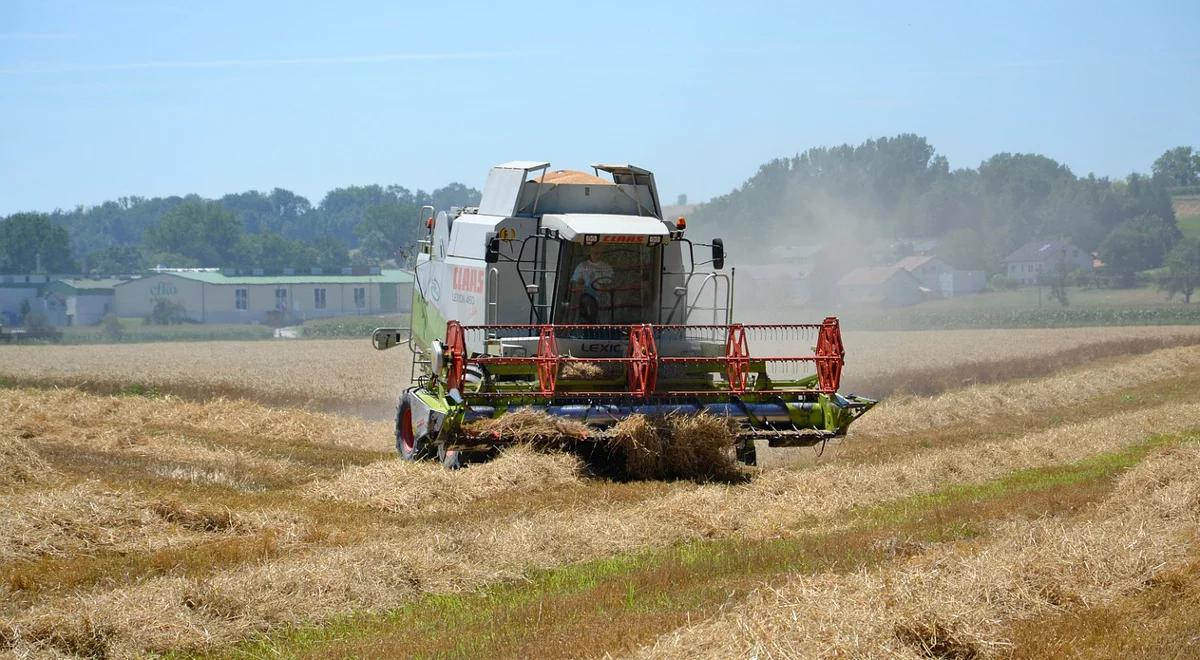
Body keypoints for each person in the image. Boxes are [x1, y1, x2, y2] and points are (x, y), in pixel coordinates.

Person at [569, 244, 613, 321]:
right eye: (594, 252)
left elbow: (612, 285)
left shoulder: (607, 267)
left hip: (603, 297)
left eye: (598, 252)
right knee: (587, 302)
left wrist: (604, 287)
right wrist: (580, 284)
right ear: (590, 252)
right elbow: (574, 284)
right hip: (586, 297)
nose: (596, 254)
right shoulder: (582, 266)